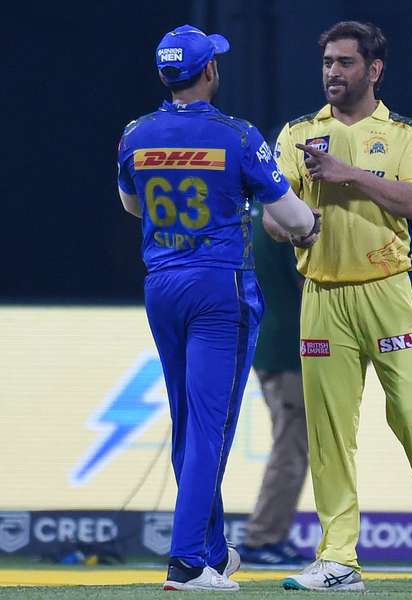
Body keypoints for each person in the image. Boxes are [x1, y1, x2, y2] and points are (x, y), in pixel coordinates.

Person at [116, 25, 319, 591]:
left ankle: (207, 550)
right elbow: (297, 219)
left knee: (188, 422)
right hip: (218, 289)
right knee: (210, 426)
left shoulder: (136, 134)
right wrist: (313, 226)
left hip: (162, 283)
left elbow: (134, 205)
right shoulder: (237, 135)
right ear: (209, 72)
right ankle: (186, 562)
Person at [270, 21, 412, 592]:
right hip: (323, 295)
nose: (333, 72)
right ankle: (338, 559)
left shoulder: (406, 131)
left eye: (345, 63)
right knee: (329, 432)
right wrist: (292, 229)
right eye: (328, 62)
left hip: (389, 289)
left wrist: (348, 175)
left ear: (373, 70)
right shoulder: (298, 132)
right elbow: (271, 214)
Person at [237, 201, 310, 566]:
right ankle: (263, 537)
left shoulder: (250, 222)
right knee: (291, 450)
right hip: (287, 351)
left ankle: (268, 536)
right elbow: (306, 279)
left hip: (268, 344)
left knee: (292, 448)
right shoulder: (284, 224)